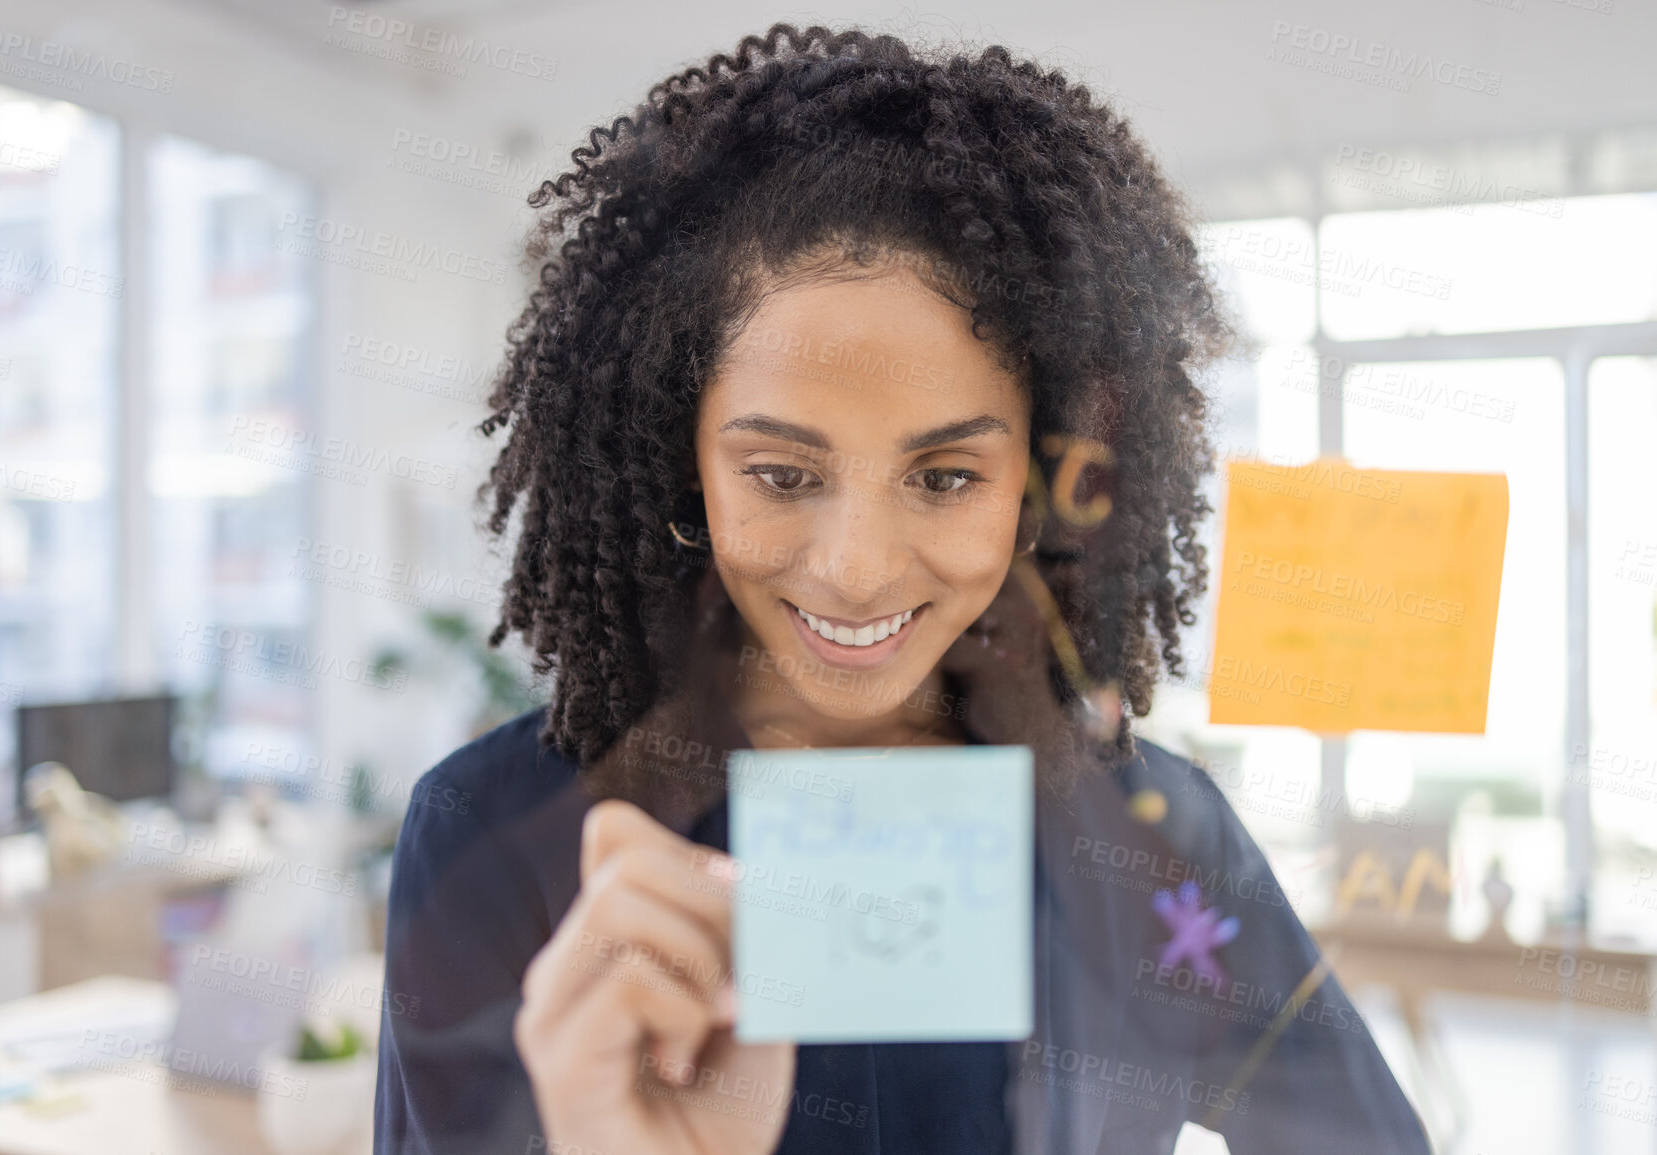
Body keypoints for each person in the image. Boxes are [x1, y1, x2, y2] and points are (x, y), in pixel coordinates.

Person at [374, 22, 1432, 1155]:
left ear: (1041, 480)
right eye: (781, 473)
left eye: (946, 475)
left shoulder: (1153, 847)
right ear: (678, 458)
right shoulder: (495, 836)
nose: (857, 566)